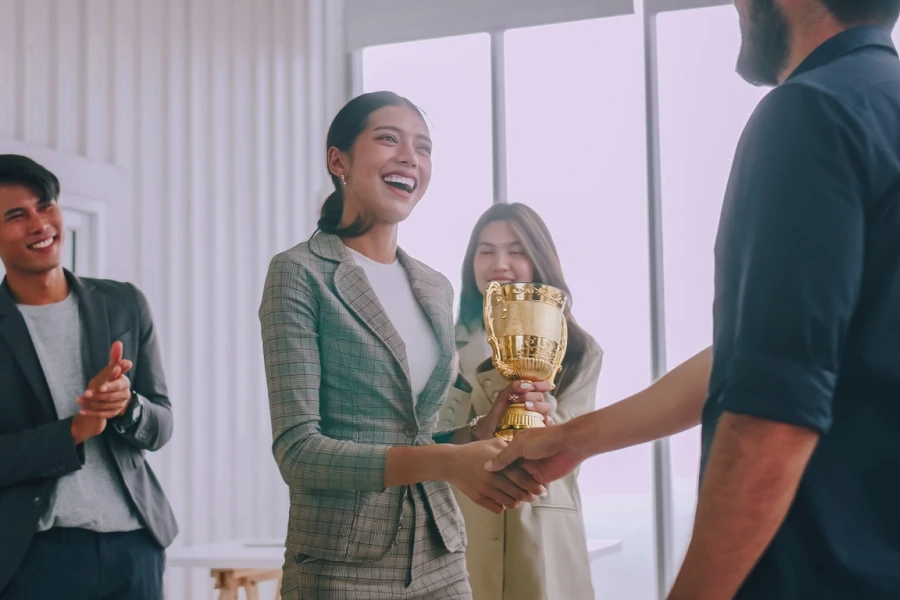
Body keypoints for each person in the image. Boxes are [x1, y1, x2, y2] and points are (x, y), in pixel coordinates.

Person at [487, 1, 900, 598]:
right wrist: (572, 439)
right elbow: (770, 355)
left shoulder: (810, 111)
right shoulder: (882, 107)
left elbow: (771, 416)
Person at [258, 91, 551, 600]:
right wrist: (444, 464)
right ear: (338, 160)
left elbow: (419, 439)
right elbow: (299, 453)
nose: (409, 157)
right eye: (388, 139)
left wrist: (481, 429)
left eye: (423, 146)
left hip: (441, 554)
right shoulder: (299, 273)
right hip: (340, 564)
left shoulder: (434, 287)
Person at [0, 154, 177, 599]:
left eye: (45, 205)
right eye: (16, 215)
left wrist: (128, 406)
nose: (40, 224)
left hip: (135, 546)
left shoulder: (123, 304)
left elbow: (162, 424)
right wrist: (73, 432)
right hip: (36, 556)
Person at [437, 202, 601, 600]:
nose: (500, 263)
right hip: (464, 521)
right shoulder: (442, 343)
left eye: (516, 250)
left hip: (544, 522)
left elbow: (570, 438)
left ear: (539, 259)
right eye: (486, 250)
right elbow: (433, 435)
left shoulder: (578, 349)